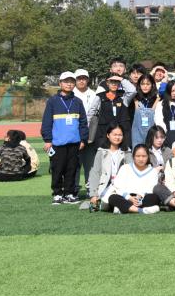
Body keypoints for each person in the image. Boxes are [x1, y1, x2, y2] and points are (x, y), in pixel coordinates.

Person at [41, 71, 89, 204]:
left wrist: (83, 139)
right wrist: (48, 140)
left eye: (72, 82)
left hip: (74, 142)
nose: (69, 84)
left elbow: (83, 122)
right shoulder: (52, 101)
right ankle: (57, 194)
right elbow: (46, 122)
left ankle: (69, 193)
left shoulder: (77, 101)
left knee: (71, 169)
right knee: (57, 169)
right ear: (60, 83)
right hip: (57, 143)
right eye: (66, 81)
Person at [91, 144, 162, 215]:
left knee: (154, 198)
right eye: (138, 156)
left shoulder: (153, 171)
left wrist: (139, 197)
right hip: (125, 197)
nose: (141, 159)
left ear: (148, 157)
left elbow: (151, 188)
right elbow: (117, 186)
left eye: (144, 156)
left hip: (141, 198)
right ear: (133, 156)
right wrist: (129, 197)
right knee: (113, 197)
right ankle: (140, 210)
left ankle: (124, 208)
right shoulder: (125, 168)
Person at [86, 123, 132, 206]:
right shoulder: (101, 152)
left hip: (122, 186)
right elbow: (95, 173)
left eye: (120, 135)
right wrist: (93, 194)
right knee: (109, 200)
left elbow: (131, 172)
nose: (117, 137)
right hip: (105, 186)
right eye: (115, 135)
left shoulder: (127, 152)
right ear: (108, 135)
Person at [96, 74, 132, 148]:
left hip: (121, 132)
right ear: (107, 83)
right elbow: (91, 112)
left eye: (116, 82)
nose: (114, 84)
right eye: (111, 82)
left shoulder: (123, 96)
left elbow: (133, 91)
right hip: (104, 131)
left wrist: (121, 79)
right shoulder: (100, 96)